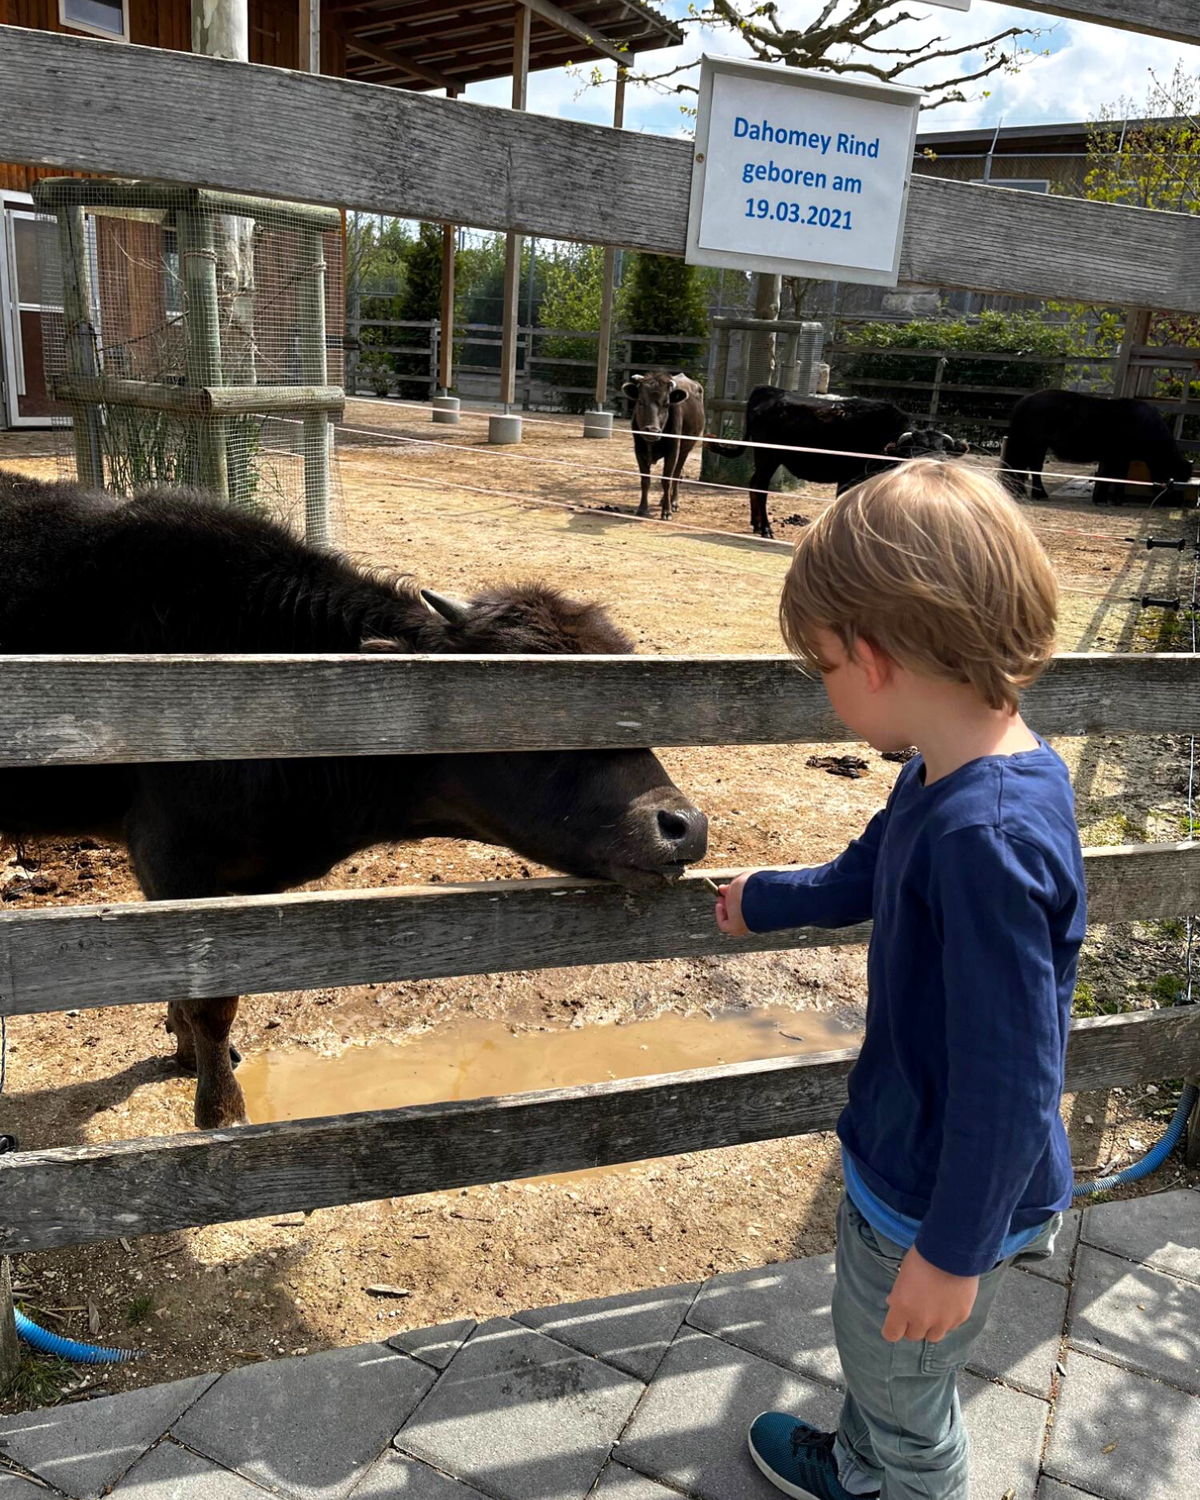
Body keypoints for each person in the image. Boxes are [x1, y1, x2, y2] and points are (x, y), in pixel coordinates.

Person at [714, 460, 1085, 1500]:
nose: (823, 692)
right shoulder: (952, 766)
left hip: (936, 1200)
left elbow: (1014, 1079)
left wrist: (953, 1251)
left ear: (871, 658)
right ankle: (863, 1462)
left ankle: (899, 1477)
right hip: (912, 1163)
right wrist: (769, 899)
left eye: (820, 666)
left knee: (909, 1392)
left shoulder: (988, 837)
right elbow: (870, 869)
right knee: (883, 1360)